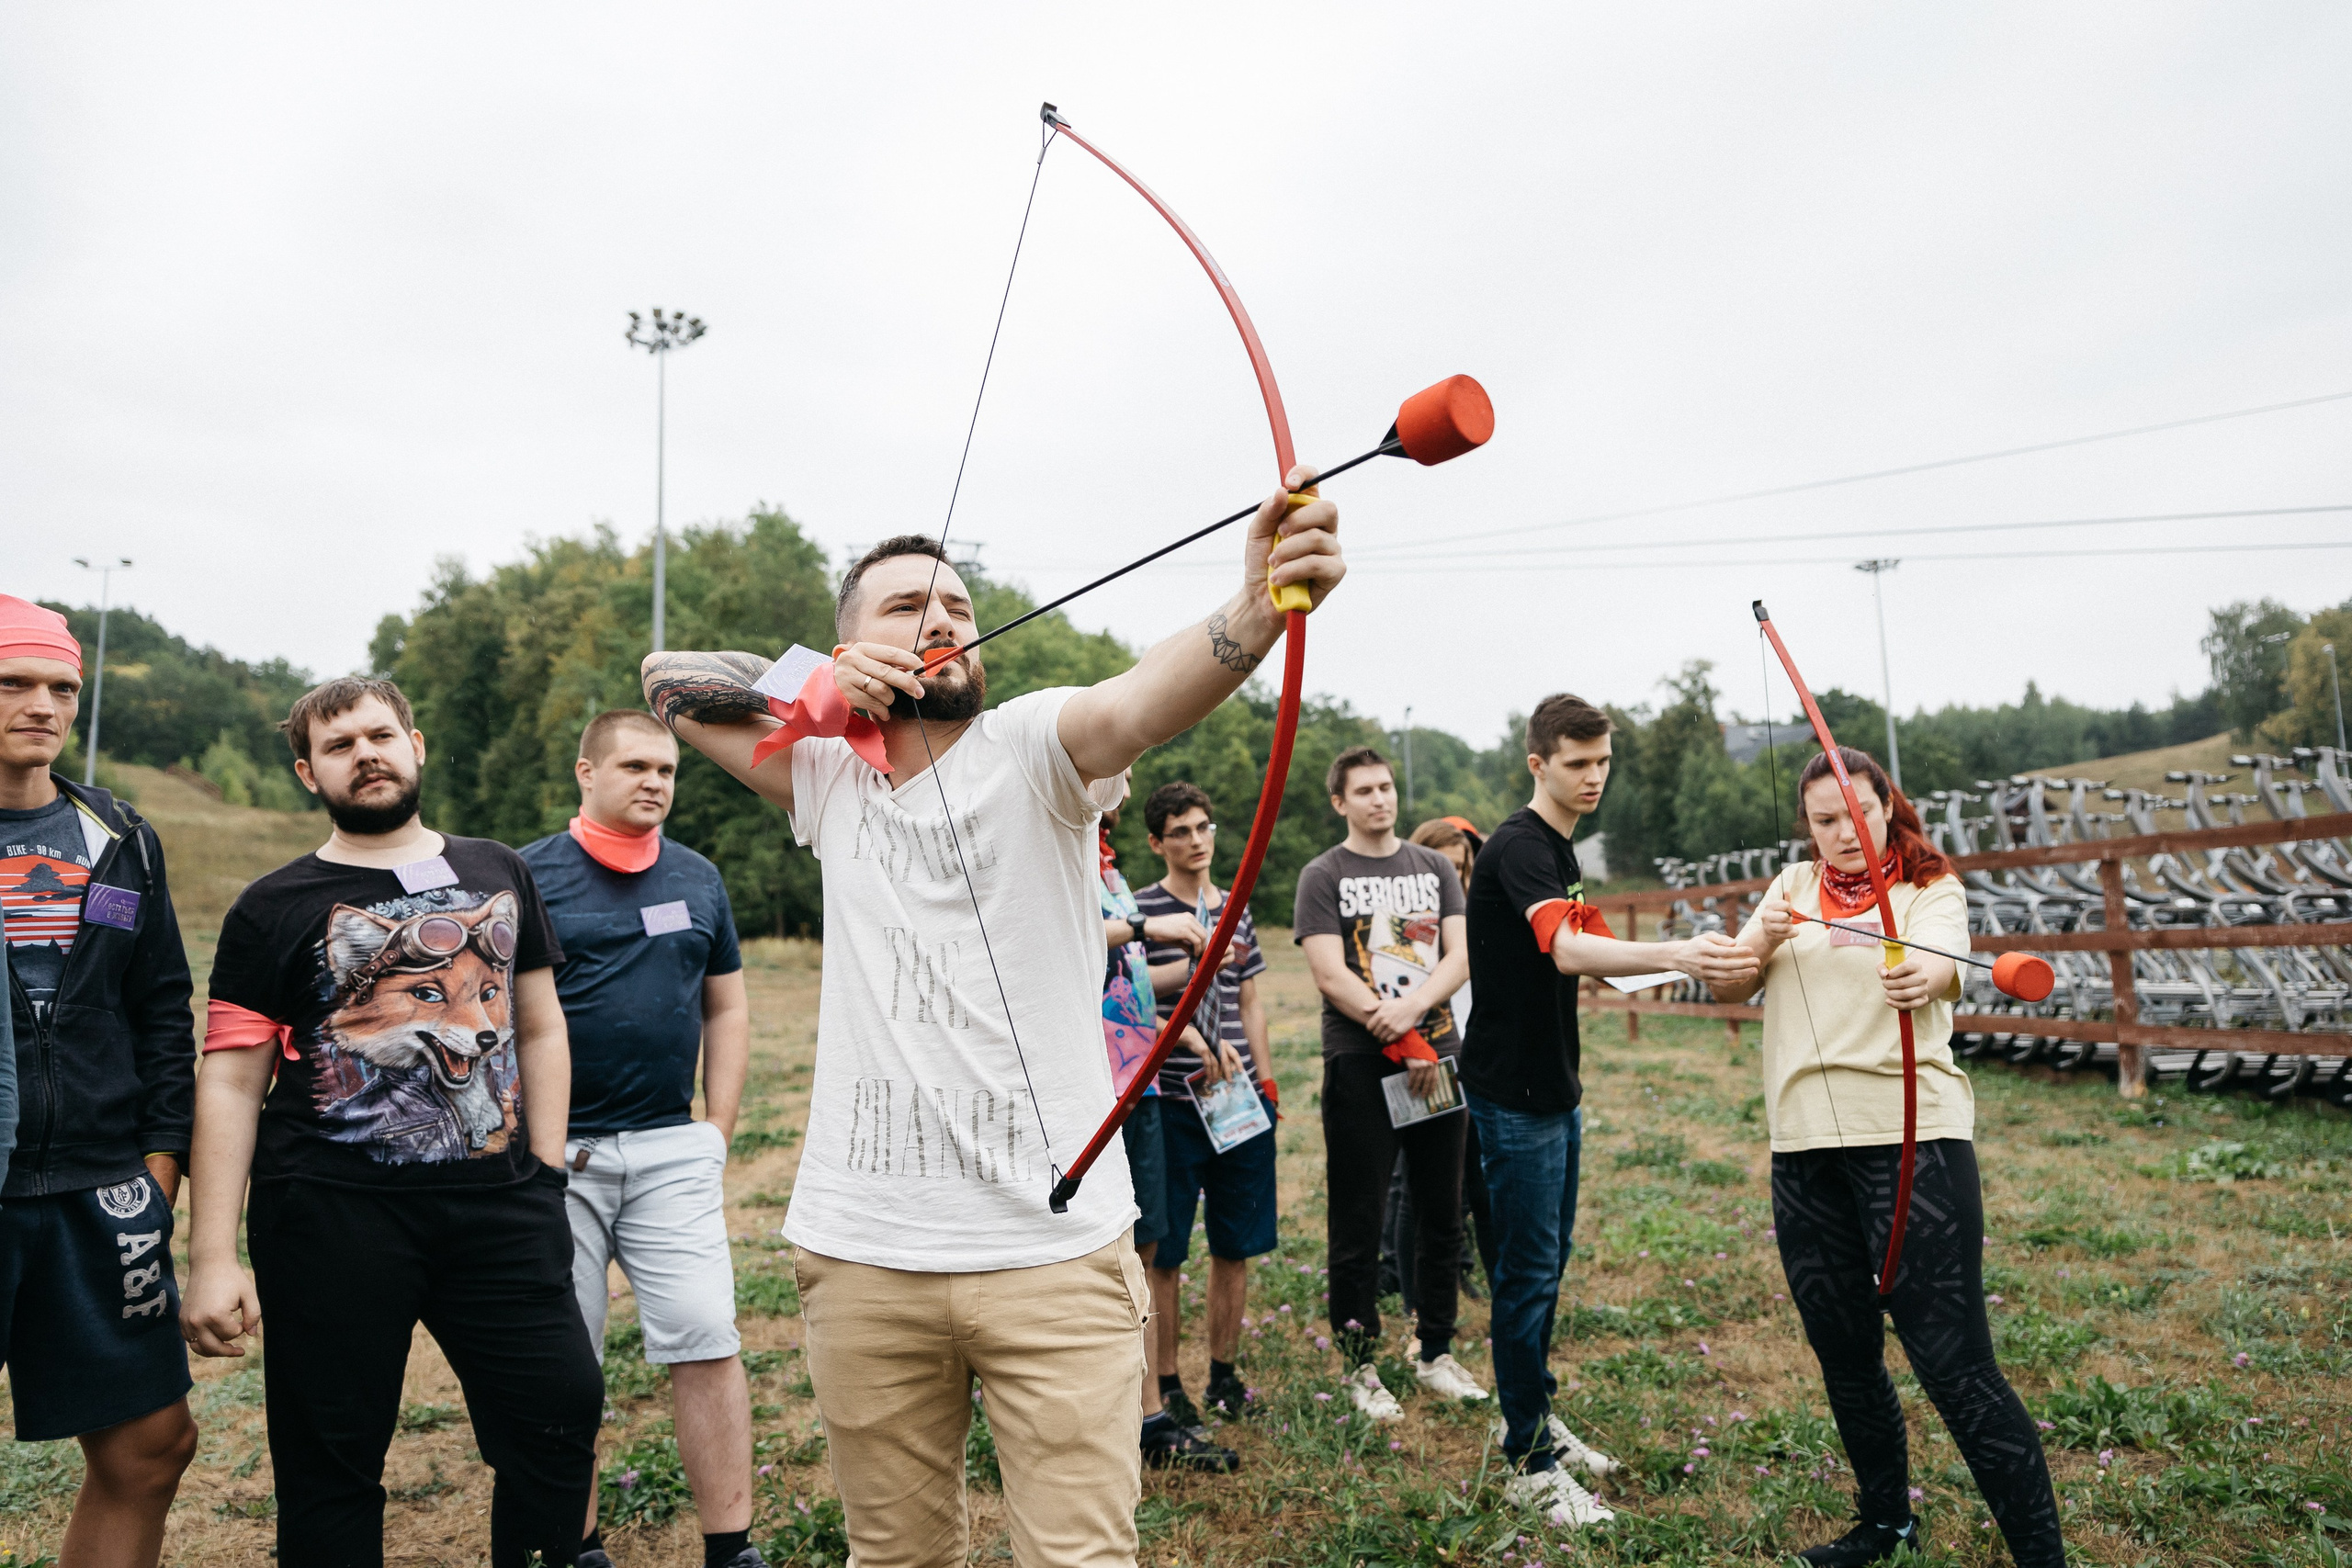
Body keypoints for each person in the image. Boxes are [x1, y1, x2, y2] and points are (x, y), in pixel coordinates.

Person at [641, 468, 1341, 1566]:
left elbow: (1133, 701)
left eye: (959, 607)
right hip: (864, 1255)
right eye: (906, 609)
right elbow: (665, 682)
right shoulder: (822, 772)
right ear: (853, 645)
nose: (944, 621)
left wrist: (1256, 608)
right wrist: (817, 685)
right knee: (896, 1556)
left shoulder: (1034, 747)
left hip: (1054, 1255)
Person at [181, 676, 605, 1568]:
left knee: (559, 1418)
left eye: (380, 735)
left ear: (418, 746)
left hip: (501, 1207)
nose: (365, 754)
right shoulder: (272, 905)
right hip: (329, 1216)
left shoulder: (498, 869)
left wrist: (546, 1169)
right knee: (330, 1464)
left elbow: (537, 1023)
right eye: (339, 745)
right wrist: (213, 1259)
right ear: (308, 772)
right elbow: (228, 1082)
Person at [1710, 746, 2063, 1567]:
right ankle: (1886, 1520)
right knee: (1844, 1350)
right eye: (1824, 819)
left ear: (1886, 808)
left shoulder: (1929, 887)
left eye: (1858, 813)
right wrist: (1754, 938)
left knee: (1955, 1365)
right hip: (1803, 1150)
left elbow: (1940, 961)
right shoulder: (1790, 891)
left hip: (1914, 1145)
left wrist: (1923, 975)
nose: (1842, 831)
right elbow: (1733, 985)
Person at [1460, 694, 1756, 1526]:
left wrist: (1662, 960)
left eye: (1604, 762)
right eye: (1578, 763)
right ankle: (1526, 1460)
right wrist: (1676, 949)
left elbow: (1582, 950)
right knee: (1524, 1279)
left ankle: (1539, 1419)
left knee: (1544, 1271)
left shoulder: (1557, 848)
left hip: (1553, 1087)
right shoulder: (1520, 846)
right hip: (1515, 1097)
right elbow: (1567, 947)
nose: (1595, 778)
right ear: (1537, 764)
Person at [517, 710, 762, 1568]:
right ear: (586, 772)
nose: (655, 780)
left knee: (707, 1339)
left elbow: (725, 1003)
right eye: (634, 765)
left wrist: (717, 1129)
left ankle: (731, 1549)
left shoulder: (698, 878)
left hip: (670, 1151)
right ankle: (575, 1546)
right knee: (566, 1363)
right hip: (559, 1160)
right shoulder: (526, 875)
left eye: (666, 767)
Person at [0, 594, 198, 1568]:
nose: (41, 704)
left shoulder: (120, 836)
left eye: (61, 687)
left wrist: (159, 1165)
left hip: (98, 1189)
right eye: (13, 682)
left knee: (150, 1447)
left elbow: (162, 1008)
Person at [1293, 746, 1486, 1420]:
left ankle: (1434, 1350)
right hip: (1360, 1059)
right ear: (1340, 802)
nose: (1381, 798)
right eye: (1365, 790)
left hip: (1434, 1060)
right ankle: (1360, 1363)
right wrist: (1392, 1025)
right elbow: (1328, 972)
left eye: (1387, 786)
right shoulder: (1324, 874)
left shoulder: (1434, 866)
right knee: (1359, 1214)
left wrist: (1416, 1020)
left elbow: (1460, 954)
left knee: (1440, 1207)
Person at [1097, 792, 1237, 1473]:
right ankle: (1118, 1411)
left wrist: (1189, 972)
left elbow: (1125, 983)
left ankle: (1149, 1415)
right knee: (1108, 1249)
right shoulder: (1056, 857)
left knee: (1145, 1243)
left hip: (1138, 1077)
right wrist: (1149, 927)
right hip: (1089, 1088)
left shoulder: (1107, 866)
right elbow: (1059, 941)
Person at [1131, 780, 1275, 1427]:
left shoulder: (1237, 904)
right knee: (1165, 1249)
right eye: (1180, 831)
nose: (1196, 840)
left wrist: (1266, 1081)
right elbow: (1133, 1000)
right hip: (1170, 1094)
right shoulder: (1142, 909)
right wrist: (1188, 1035)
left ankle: (1224, 1373)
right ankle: (1166, 1382)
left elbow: (1249, 998)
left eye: (1203, 826)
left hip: (1238, 1098)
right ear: (1157, 842)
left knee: (1235, 1243)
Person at [1381, 817, 1496, 1304]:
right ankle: (1412, 1297)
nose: (1456, 879)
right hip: (1427, 1056)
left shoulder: (1470, 914)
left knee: (1468, 1179)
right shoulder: (1405, 923)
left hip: (1473, 1056)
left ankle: (1454, 1271)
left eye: (1463, 869)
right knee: (1417, 1186)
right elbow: (1394, 986)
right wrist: (1417, 1049)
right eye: (1447, 867)